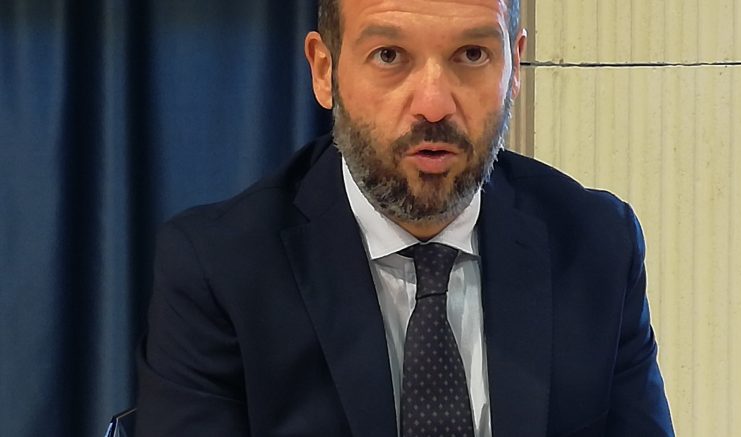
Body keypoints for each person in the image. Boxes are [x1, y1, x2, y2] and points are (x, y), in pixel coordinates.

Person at [135, 0, 674, 435]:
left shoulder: (597, 246)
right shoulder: (220, 269)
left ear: (514, 65)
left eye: (472, 54)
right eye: (390, 55)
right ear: (324, 70)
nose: (433, 105)